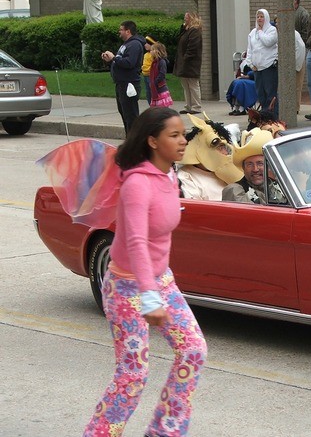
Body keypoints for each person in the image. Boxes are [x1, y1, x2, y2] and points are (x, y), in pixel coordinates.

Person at [83, 107, 207, 437]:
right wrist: (149, 297)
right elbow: (136, 241)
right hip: (127, 288)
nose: (183, 141)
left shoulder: (168, 174)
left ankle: (165, 431)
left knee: (193, 350)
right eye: (174, 135)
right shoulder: (137, 183)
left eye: (183, 134)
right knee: (133, 374)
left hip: (161, 280)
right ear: (152, 141)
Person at [177, 113, 242, 200]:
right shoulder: (186, 177)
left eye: (224, 147)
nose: (225, 152)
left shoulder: (225, 170)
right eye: (220, 147)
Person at [101, 20, 144, 135]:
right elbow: (121, 62)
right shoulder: (126, 44)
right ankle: (129, 138)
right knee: (124, 112)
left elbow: (130, 63)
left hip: (129, 84)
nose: (119, 32)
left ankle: (135, 141)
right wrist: (110, 61)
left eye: (121, 29)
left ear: (128, 31)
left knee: (131, 115)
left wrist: (114, 58)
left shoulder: (134, 44)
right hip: (121, 83)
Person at [222, 128, 286, 204]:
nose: (255, 169)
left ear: (268, 166)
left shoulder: (278, 185)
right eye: (249, 164)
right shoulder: (234, 190)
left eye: (260, 163)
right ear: (243, 168)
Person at [243, 8, 279, 119]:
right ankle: (264, 117)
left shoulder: (272, 30)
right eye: (258, 16)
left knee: (270, 94)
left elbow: (268, 42)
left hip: (269, 67)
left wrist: (260, 32)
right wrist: (250, 64)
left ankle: (273, 117)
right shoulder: (252, 33)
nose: (259, 19)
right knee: (261, 95)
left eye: (262, 16)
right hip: (257, 69)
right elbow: (250, 50)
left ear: (266, 18)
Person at [175, 11, 203, 115]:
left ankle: (196, 106)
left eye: (186, 17)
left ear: (191, 18)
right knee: (185, 85)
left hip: (191, 63)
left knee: (193, 85)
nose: (184, 19)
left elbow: (193, 47)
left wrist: (186, 57)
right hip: (184, 62)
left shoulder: (195, 31)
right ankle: (188, 105)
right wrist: (183, 28)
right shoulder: (187, 30)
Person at [148, 42, 173, 108]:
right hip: (155, 88)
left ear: (158, 51)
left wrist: (155, 82)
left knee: (162, 107)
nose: (151, 51)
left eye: (153, 50)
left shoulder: (162, 62)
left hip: (161, 88)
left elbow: (162, 74)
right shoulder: (154, 62)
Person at [141, 36, 156, 105]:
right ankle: (150, 105)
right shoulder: (146, 55)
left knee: (153, 92)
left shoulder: (154, 55)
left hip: (152, 76)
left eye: (147, 43)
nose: (145, 45)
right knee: (148, 92)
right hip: (145, 75)